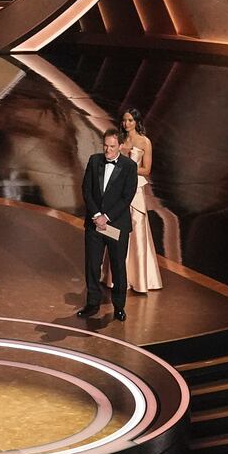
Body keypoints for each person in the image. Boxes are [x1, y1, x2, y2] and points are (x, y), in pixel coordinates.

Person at [77, 127, 136, 321]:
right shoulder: (95, 161)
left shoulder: (129, 166)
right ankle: (92, 303)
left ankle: (119, 306)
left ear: (120, 146)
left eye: (112, 146)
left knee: (118, 266)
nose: (108, 150)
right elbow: (86, 189)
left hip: (115, 225)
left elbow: (127, 196)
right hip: (94, 224)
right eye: (105, 146)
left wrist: (106, 217)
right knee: (92, 265)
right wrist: (96, 215)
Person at [102, 109, 162, 294]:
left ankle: (140, 279)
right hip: (118, 189)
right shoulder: (119, 140)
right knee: (115, 230)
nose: (126, 123)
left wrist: (128, 168)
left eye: (130, 120)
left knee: (137, 229)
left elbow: (146, 169)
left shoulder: (145, 142)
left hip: (135, 190)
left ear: (136, 121)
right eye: (124, 120)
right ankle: (114, 276)